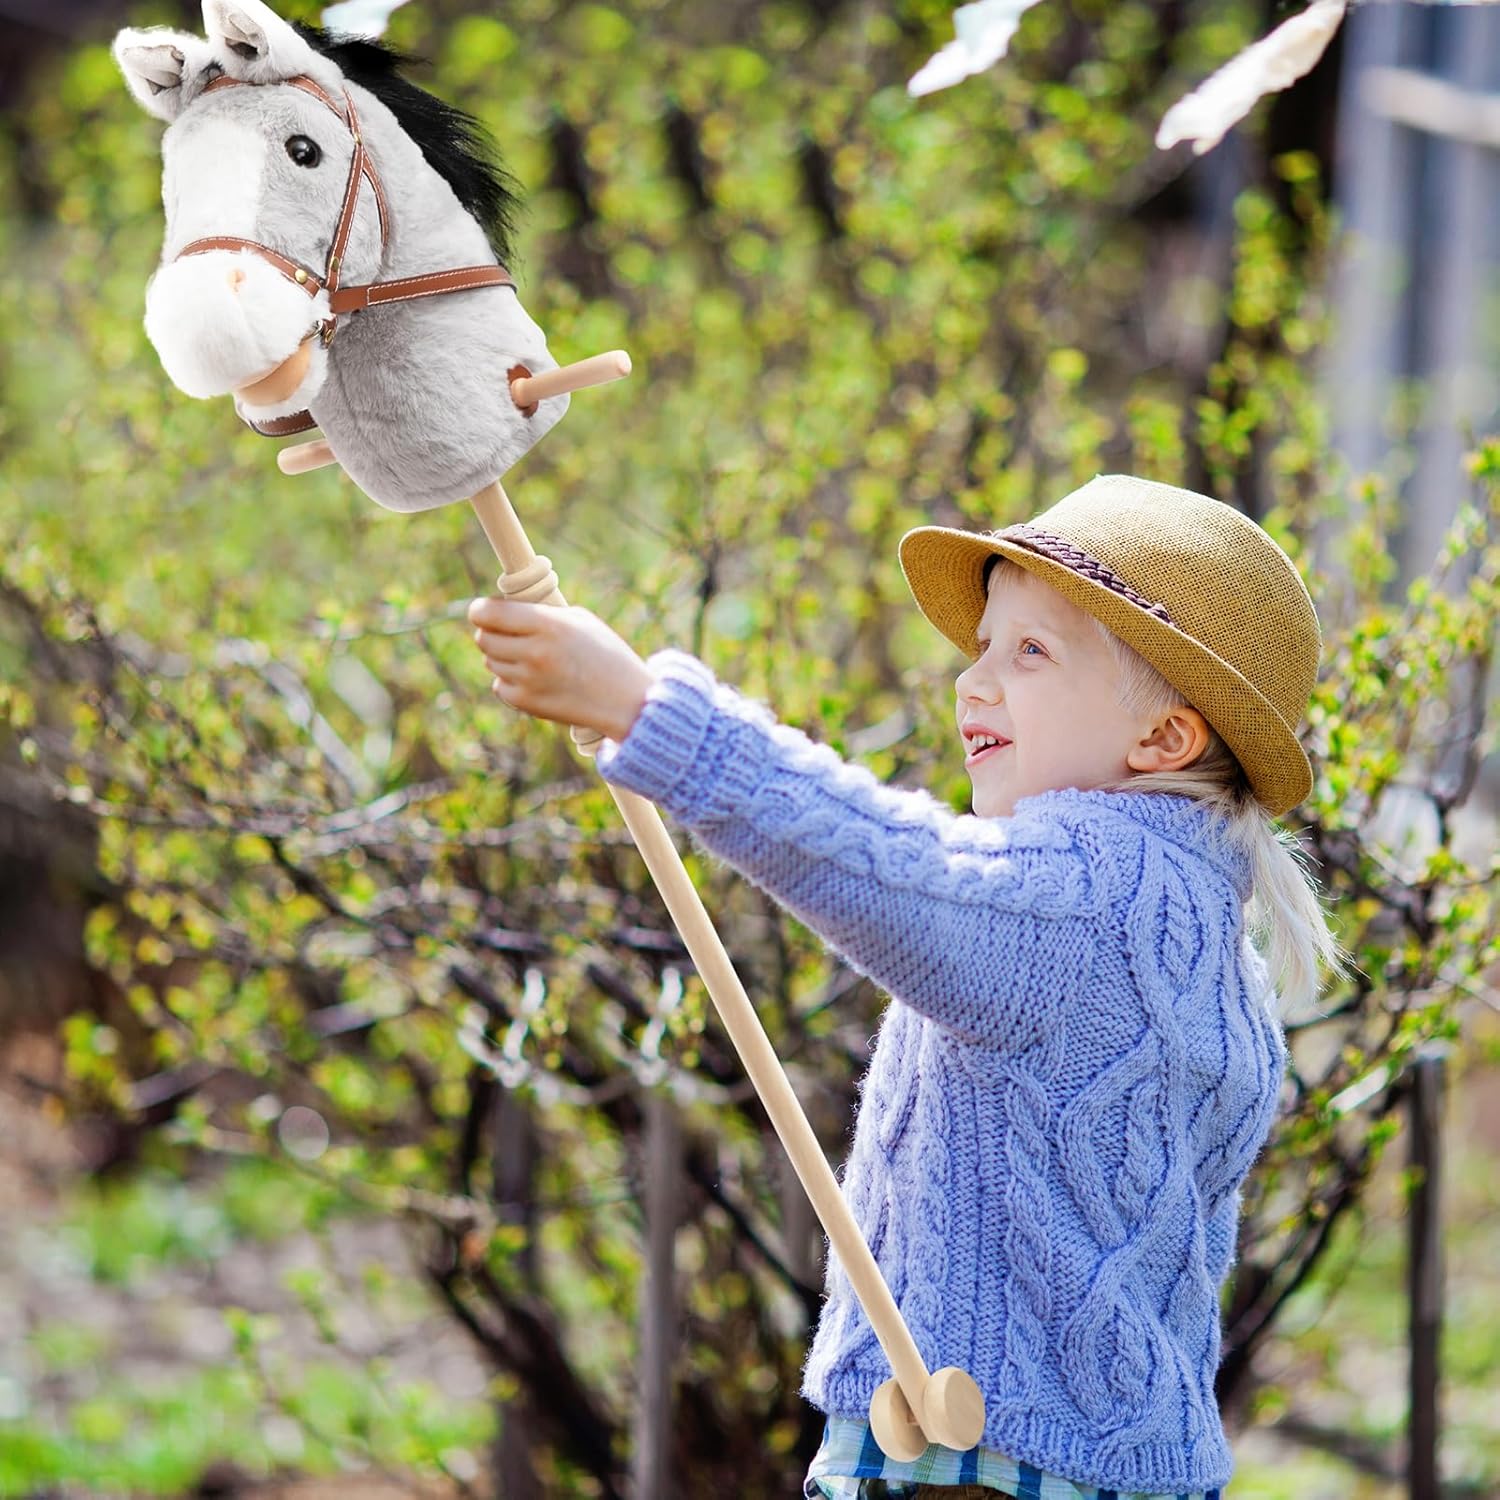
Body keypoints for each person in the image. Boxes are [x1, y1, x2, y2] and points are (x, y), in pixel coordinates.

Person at [467, 473, 1348, 1500]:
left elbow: (893, 870)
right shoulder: (1212, 948)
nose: (973, 682)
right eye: (982, 647)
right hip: (1115, 1462)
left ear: (1163, 738)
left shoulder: (1085, 898)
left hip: (980, 1464)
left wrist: (646, 709)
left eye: (1030, 652)